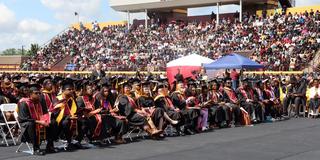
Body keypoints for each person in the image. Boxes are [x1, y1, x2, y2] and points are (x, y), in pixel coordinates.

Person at [17, 84, 53, 155]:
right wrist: (39, 122)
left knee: (53, 122)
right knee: (31, 124)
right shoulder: (23, 103)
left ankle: (50, 146)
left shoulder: (40, 102)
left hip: (39, 121)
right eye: (36, 93)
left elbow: (45, 113)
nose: (38, 94)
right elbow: (24, 119)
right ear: (30, 94)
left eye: (39, 93)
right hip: (26, 125)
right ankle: (36, 149)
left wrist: (47, 120)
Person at [52, 79, 78, 150]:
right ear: (63, 90)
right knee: (65, 122)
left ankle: (77, 141)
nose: (71, 91)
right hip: (59, 120)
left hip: (70, 118)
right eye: (69, 89)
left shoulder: (71, 99)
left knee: (84, 121)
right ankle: (69, 142)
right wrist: (69, 117)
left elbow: (76, 110)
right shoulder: (57, 99)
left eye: (72, 89)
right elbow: (55, 113)